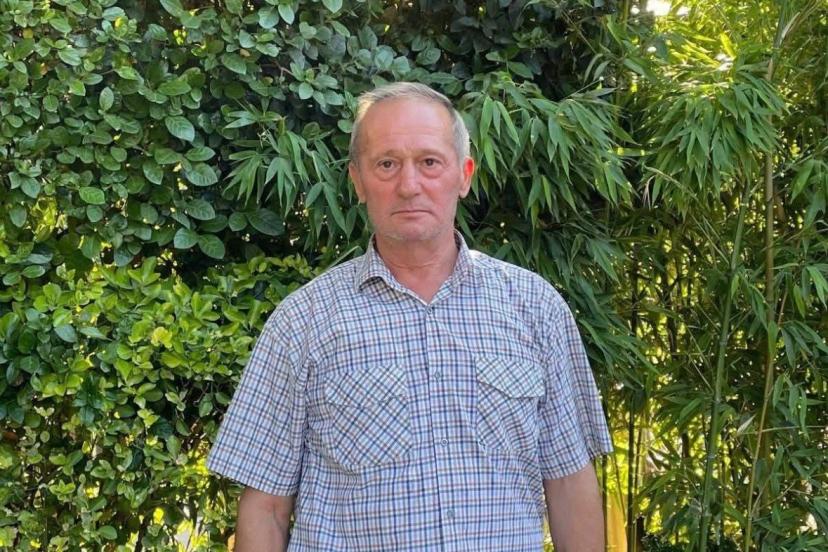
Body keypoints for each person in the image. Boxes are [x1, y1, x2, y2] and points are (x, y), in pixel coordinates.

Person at [206, 82, 614, 551]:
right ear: (357, 180)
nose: (409, 185)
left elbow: (569, 482)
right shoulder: (302, 323)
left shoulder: (535, 308)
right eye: (387, 164)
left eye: (429, 162)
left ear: (463, 174)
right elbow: (266, 509)